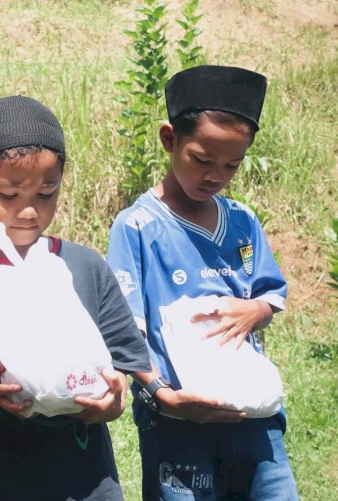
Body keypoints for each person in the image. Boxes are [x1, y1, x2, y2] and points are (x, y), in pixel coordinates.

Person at [0, 95, 151, 500]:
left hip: (88, 479)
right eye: (8, 196)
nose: (28, 212)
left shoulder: (83, 266)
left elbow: (121, 367)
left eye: (46, 194)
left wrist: (111, 404)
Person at [107, 65, 299, 499]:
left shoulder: (242, 222)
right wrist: (161, 393)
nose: (215, 175)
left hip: (253, 415)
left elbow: (270, 293)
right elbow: (124, 329)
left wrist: (256, 310)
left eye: (232, 164)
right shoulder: (137, 227)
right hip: (179, 420)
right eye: (202, 160)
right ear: (169, 139)